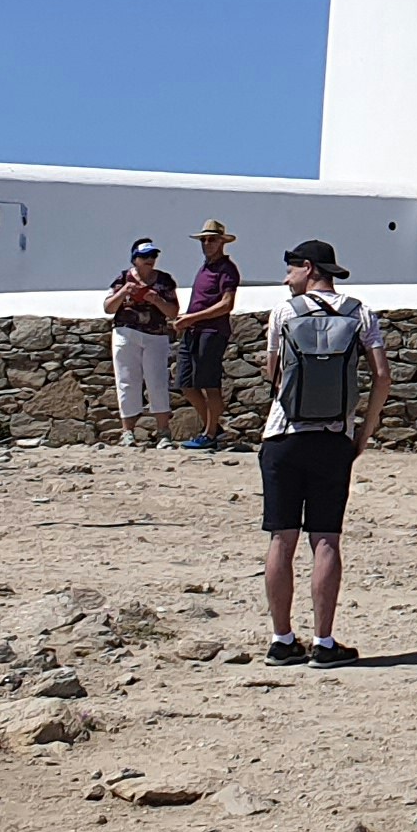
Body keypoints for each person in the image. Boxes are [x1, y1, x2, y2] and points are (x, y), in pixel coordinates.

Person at [257, 238, 389, 666]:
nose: (286, 277)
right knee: (326, 540)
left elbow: (273, 373)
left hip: (282, 436)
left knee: (281, 537)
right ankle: (325, 644)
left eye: (290, 268)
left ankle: (281, 639)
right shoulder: (361, 312)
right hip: (333, 439)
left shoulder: (283, 312)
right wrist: (363, 433)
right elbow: (382, 376)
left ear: (309, 268)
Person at [171, 220, 244, 448]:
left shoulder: (227, 269)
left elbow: (226, 305)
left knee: (210, 384)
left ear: (222, 241)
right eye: (204, 239)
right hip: (193, 331)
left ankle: (210, 434)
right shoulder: (205, 267)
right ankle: (213, 428)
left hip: (212, 332)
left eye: (211, 239)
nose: (207, 243)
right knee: (185, 383)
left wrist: (192, 318)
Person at [101, 238, 180, 448]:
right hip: (126, 333)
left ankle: (164, 432)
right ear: (135, 259)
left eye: (153, 256)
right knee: (126, 380)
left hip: (155, 335)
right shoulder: (122, 279)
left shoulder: (164, 281)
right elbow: (108, 308)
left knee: (157, 381)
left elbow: (173, 311)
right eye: (144, 256)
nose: (150, 260)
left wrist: (157, 300)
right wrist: (123, 292)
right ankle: (127, 432)